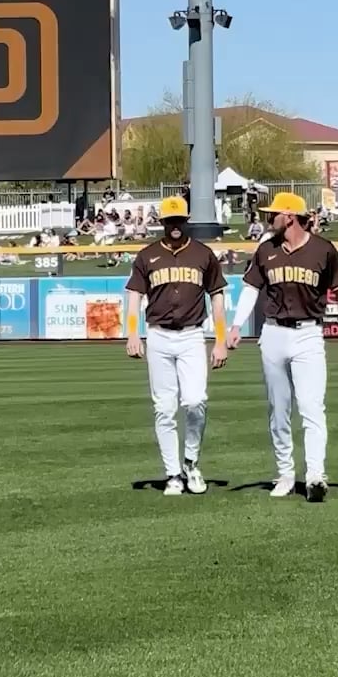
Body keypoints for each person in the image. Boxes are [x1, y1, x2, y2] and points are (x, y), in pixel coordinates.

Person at [227, 192, 338, 502]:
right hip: (273, 333)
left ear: (289, 217)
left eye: (272, 213)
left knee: (312, 407)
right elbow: (250, 289)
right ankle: (285, 473)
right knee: (279, 409)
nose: (267, 218)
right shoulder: (266, 249)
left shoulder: (323, 249)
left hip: (308, 334)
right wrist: (236, 325)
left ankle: (315, 475)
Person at [125, 196, 227, 497]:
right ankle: (172, 474)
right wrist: (132, 334)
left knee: (195, 401)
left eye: (179, 220)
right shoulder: (147, 255)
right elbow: (134, 296)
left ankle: (191, 462)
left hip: (192, 336)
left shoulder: (203, 254)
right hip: (158, 335)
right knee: (164, 408)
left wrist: (220, 340)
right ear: (162, 222)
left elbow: (217, 297)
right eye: (170, 221)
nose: (175, 226)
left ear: (187, 221)